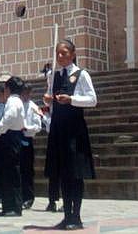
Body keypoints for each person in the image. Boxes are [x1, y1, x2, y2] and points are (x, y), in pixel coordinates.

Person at [44, 39, 98, 231]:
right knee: (63, 174)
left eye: (64, 53)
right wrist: (49, 100)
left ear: (73, 54)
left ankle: (76, 216)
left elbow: (92, 100)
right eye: (58, 53)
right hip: (58, 129)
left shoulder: (81, 75)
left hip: (74, 130)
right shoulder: (54, 76)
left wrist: (72, 99)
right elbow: (51, 102)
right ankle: (66, 215)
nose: (60, 57)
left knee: (75, 174)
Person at [0, 76, 26, 217]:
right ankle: (10, 206)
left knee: (10, 173)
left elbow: (8, 118)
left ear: (8, 89)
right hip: (14, 136)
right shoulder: (17, 101)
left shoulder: (12, 101)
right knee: (11, 173)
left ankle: (12, 206)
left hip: (10, 137)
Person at [21, 82, 43, 211]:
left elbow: (38, 126)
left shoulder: (33, 107)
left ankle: (28, 197)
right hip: (16, 139)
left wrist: (27, 128)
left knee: (27, 171)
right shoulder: (16, 104)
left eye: (27, 93)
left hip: (27, 139)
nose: (25, 95)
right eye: (23, 93)